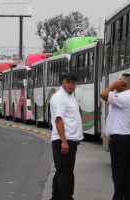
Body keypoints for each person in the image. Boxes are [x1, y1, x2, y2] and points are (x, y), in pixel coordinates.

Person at [101, 73, 130, 200]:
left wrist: (113, 85)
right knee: (129, 174)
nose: (117, 82)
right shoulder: (129, 97)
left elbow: (104, 94)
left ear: (125, 84)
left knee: (119, 174)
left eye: (120, 80)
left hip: (121, 139)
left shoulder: (124, 98)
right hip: (129, 138)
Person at [50, 72, 84, 200]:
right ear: (61, 82)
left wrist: (76, 137)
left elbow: (72, 119)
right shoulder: (60, 97)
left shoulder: (69, 96)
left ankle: (56, 197)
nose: (71, 85)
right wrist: (64, 141)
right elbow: (59, 120)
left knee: (61, 171)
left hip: (70, 139)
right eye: (68, 82)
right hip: (63, 140)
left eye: (73, 82)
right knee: (66, 173)